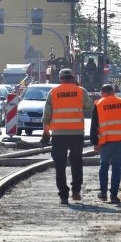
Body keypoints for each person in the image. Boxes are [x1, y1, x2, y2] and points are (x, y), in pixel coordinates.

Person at [41, 68, 94, 204]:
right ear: (73, 78)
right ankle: (76, 191)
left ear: (60, 79)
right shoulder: (80, 91)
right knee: (76, 162)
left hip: (58, 134)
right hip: (76, 133)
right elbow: (89, 105)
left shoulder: (53, 92)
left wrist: (46, 132)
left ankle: (63, 196)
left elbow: (47, 115)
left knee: (60, 164)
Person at [90, 83, 121, 203]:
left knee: (104, 166)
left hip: (105, 141)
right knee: (116, 168)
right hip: (120, 141)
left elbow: (94, 125)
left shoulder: (99, 104)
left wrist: (95, 142)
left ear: (102, 92)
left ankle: (103, 193)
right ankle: (114, 195)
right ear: (113, 92)